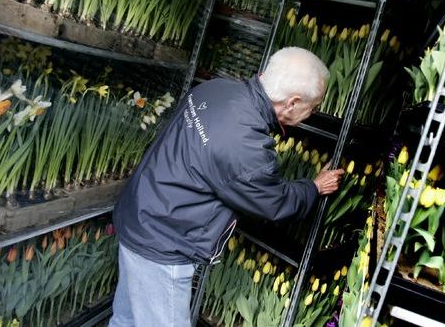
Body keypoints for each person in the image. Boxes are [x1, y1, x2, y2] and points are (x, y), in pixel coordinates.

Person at [109, 47, 343, 327]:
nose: (313, 113)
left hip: (139, 215)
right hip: (163, 244)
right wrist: (313, 187)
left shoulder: (217, 88)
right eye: (313, 107)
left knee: (126, 319)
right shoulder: (245, 145)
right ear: (292, 103)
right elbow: (274, 202)